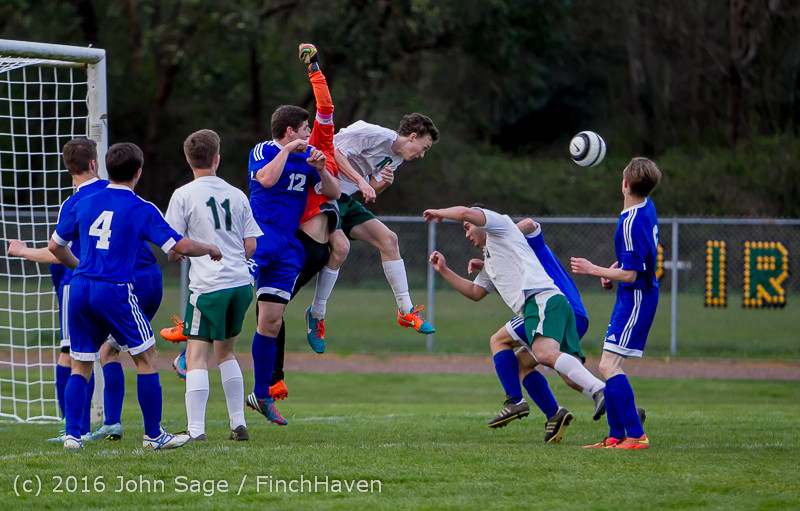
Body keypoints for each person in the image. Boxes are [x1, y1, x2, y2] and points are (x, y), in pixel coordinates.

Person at [49, 142, 222, 451]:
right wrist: (208, 248)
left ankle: (72, 435)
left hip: (79, 288)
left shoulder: (83, 201)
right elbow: (178, 247)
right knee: (146, 356)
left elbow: (55, 246)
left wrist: (80, 268)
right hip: (114, 290)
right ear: (138, 172)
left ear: (106, 167)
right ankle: (154, 435)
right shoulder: (141, 207)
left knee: (81, 363)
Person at [7, 139, 163, 443]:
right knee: (110, 351)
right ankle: (113, 424)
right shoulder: (118, 189)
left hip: (110, 284)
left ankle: (74, 430)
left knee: (76, 355)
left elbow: (56, 252)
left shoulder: (79, 202)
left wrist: (24, 251)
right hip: (145, 277)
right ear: (95, 164)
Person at [424, 205, 606, 444]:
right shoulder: (491, 258)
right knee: (549, 369)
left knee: (523, 347)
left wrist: (439, 212)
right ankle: (617, 407)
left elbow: (468, 213)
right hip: (542, 305)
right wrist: (445, 270)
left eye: (468, 228)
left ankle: (522, 400)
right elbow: (475, 292)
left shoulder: (501, 227)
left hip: (543, 299)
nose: (467, 233)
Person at [164, 129, 262, 442]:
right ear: (217, 158)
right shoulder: (237, 194)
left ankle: (196, 431)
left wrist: (179, 252)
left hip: (208, 286)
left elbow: (172, 246)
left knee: (196, 356)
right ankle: (238, 424)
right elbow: (251, 246)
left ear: (188, 160)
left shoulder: (183, 194)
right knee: (228, 354)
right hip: (241, 284)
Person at [305, 112, 440, 339]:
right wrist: (360, 181)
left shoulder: (396, 157)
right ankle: (317, 313)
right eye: (423, 147)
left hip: (344, 199)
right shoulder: (374, 134)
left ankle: (406, 311)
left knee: (390, 240)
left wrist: (383, 184)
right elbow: (335, 154)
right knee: (341, 248)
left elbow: (369, 191)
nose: (422, 155)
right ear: (412, 136)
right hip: (323, 194)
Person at [246, 102, 340, 426]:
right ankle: (193, 344)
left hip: (288, 245)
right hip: (260, 236)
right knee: (236, 293)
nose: (308, 133)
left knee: (271, 321)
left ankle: (261, 394)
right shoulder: (264, 150)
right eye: (304, 129)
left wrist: (322, 166)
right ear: (290, 131)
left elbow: (334, 192)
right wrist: (289, 150)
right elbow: (267, 179)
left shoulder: (309, 156)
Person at [570, 157, 661, 450]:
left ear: (624, 184)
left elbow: (633, 272)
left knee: (609, 365)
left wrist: (594, 268)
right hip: (632, 295)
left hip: (637, 297)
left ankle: (636, 435)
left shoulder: (631, 222)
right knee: (608, 365)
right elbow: (637, 256)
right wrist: (615, 268)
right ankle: (615, 436)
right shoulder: (644, 207)